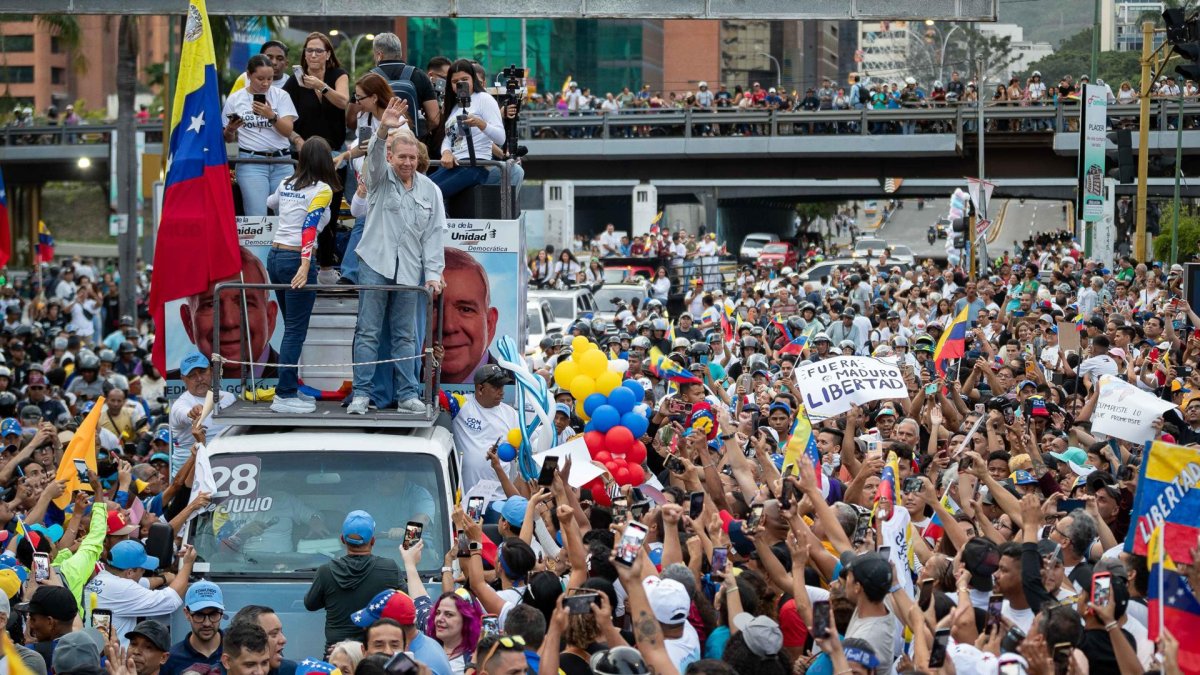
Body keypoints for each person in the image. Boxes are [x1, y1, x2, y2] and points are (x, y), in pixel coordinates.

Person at [347, 98, 446, 416]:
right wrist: (382, 131)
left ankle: (407, 394)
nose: (407, 162)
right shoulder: (377, 178)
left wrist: (434, 273)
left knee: (407, 333)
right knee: (369, 330)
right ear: (391, 157)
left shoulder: (431, 190)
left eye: (412, 157)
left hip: (410, 270)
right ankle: (362, 393)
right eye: (401, 157)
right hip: (375, 262)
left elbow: (433, 235)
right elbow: (372, 163)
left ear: (418, 158)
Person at [264, 137, 340, 413]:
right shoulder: (322, 190)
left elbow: (270, 202)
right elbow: (309, 228)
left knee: (290, 329)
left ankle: (289, 388)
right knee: (295, 331)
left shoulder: (286, 182)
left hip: (275, 257)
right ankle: (284, 394)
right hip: (297, 258)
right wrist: (306, 266)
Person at [282, 32, 349, 275]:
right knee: (305, 208)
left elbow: (343, 101)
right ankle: (300, 263)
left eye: (318, 50)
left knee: (330, 209)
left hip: (333, 153)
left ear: (328, 54)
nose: (312, 55)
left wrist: (320, 86)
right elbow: (284, 119)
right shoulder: (294, 81)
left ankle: (327, 266)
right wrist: (297, 139)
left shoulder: (336, 75)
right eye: (309, 50)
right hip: (305, 153)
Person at [175, 246, 279, 381]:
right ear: (189, 323)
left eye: (245, 303)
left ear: (270, 318)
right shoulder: (177, 382)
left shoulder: (291, 379)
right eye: (211, 305)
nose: (229, 321)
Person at [304, 510, 402, 648]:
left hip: (336, 654)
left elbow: (310, 604)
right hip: (374, 654)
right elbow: (407, 602)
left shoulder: (325, 572)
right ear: (373, 540)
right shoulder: (389, 568)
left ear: (343, 539)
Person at [222, 54, 298, 217]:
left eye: (270, 78)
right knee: (257, 216)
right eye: (260, 78)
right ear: (248, 75)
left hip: (282, 161)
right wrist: (230, 130)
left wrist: (271, 115)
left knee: (286, 214)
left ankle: (282, 244)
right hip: (251, 162)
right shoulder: (236, 99)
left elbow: (287, 131)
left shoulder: (281, 96)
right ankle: (259, 244)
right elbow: (228, 139)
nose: (265, 83)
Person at [84, 540, 197, 644]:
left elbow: (140, 583)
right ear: (130, 572)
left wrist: (164, 578)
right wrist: (187, 564)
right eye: (142, 569)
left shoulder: (103, 578)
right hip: (112, 661)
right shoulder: (123, 589)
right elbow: (170, 600)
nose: (143, 572)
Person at [432, 59, 505, 200]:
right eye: (455, 82)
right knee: (422, 188)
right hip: (454, 164)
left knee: (430, 193)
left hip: (474, 165)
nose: (461, 84)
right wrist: (446, 152)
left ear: (473, 79)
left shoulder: (484, 99)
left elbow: (500, 137)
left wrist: (480, 124)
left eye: (465, 79)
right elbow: (448, 138)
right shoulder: (454, 107)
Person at [452, 364, 518, 499]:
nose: (502, 392)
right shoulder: (461, 404)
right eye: (496, 387)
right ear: (480, 388)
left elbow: (518, 449)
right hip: (468, 497)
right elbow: (437, 397)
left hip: (500, 497)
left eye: (502, 386)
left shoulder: (510, 413)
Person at [167, 352, 235, 476]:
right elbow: (184, 414)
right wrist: (192, 412)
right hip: (189, 477)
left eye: (202, 372)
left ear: (212, 371)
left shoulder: (229, 398)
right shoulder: (180, 404)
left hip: (224, 470)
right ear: (183, 379)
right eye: (192, 375)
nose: (199, 379)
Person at [435, 249, 497, 384]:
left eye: (465, 309)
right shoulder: (395, 387)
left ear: (490, 324)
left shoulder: (514, 387)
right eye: (432, 308)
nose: (448, 326)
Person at [162, 581, 226, 675]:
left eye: (213, 614)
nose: (207, 623)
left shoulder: (236, 651)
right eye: (199, 615)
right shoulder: (171, 659)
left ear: (222, 612)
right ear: (187, 614)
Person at [20, 585, 78, 671]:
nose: (31, 625)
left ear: (50, 622)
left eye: (33, 619)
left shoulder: (28, 655)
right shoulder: (94, 651)